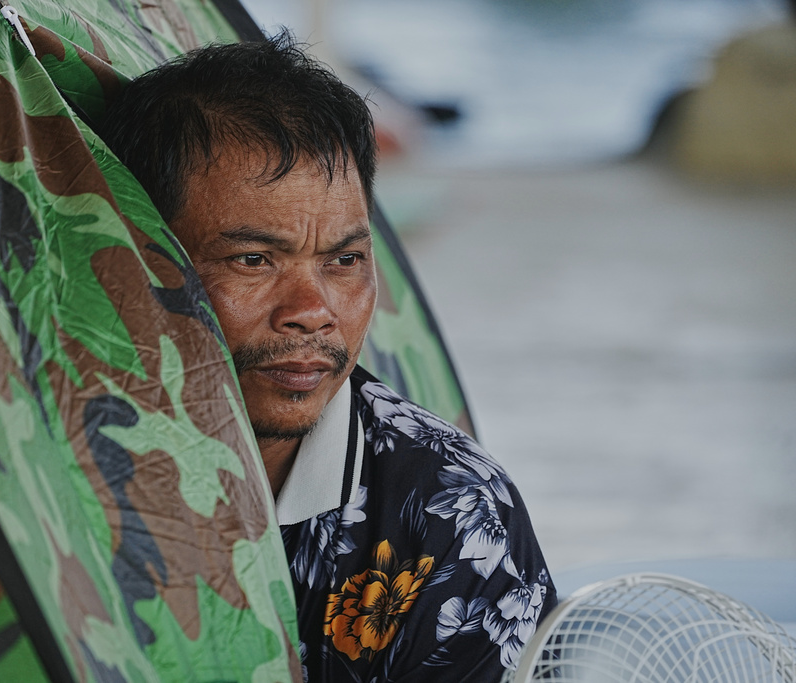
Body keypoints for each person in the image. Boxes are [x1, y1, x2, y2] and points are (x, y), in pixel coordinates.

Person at [99, 33, 556, 682]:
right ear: (138, 254)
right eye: (253, 260)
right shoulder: (37, 446)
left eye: (344, 261)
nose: (312, 310)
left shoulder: (451, 518)